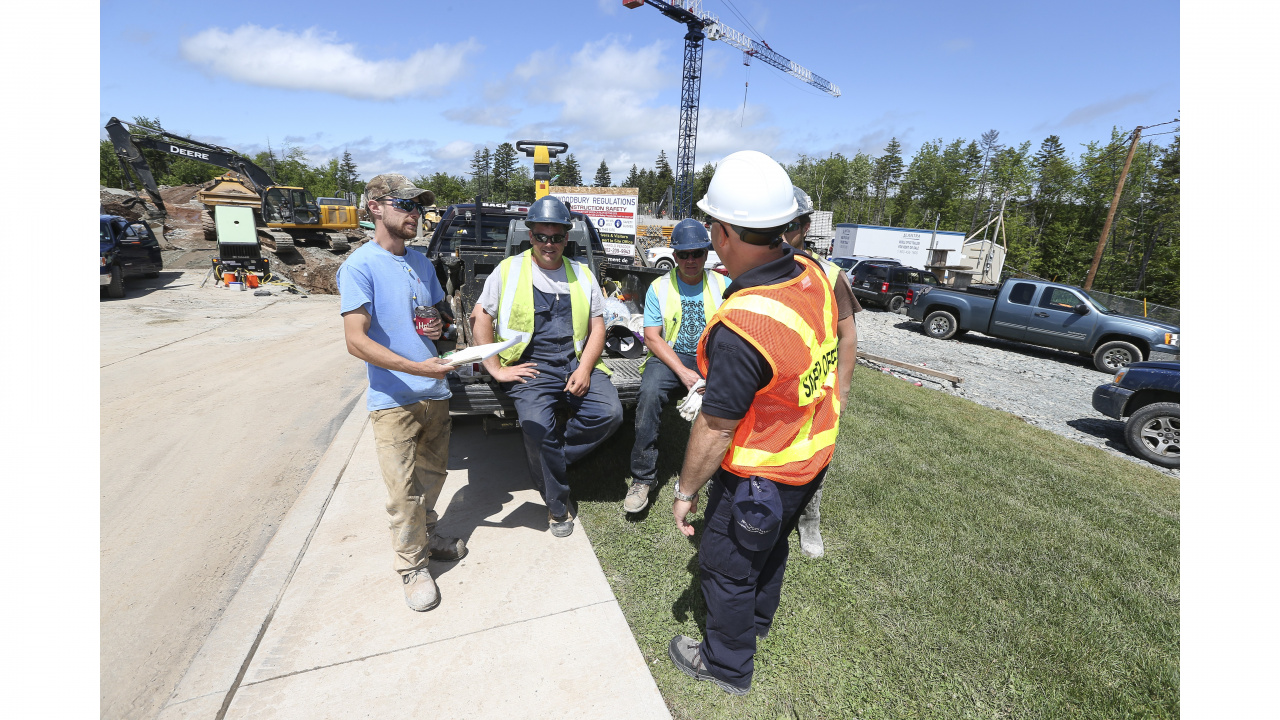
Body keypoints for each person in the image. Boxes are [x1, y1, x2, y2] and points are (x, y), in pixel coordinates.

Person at [667, 151, 842, 696]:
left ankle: (725, 662)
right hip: (810, 457)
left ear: (721, 233)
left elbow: (716, 427)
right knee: (770, 548)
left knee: (725, 565)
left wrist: (685, 490)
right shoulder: (812, 274)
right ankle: (757, 623)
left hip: (762, 471)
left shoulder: (746, 324)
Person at [336, 173, 468, 613]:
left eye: (418, 206)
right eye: (406, 204)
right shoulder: (358, 266)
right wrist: (416, 365)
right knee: (402, 493)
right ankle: (412, 568)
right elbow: (357, 341)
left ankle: (427, 539)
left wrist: (442, 330)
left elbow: (438, 320)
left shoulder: (422, 263)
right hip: (393, 400)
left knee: (432, 478)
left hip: (435, 391)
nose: (416, 213)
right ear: (375, 206)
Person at [470, 195, 624, 537]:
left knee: (609, 414)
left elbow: (598, 326)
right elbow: (480, 318)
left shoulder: (582, 274)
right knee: (537, 427)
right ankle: (557, 508)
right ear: (530, 235)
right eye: (541, 236)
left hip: (573, 361)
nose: (549, 244)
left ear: (567, 238)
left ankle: (549, 459)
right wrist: (496, 369)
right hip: (530, 367)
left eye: (556, 237)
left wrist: (584, 369)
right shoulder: (508, 271)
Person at [623, 218, 730, 513]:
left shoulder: (724, 284)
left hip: (712, 356)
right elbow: (652, 338)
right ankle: (643, 477)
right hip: (671, 355)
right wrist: (683, 373)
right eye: (684, 254)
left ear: (707, 253)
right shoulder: (659, 286)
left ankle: (717, 472)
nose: (691, 260)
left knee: (731, 399)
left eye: (697, 253)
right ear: (675, 255)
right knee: (649, 394)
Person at [781, 187, 861, 558]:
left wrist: (841, 391)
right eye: (777, 224)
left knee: (817, 456)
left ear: (806, 226)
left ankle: (809, 521)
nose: (784, 234)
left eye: (792, 225)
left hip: (818, 388)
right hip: (775, 389)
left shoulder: (830, 275)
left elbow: (848, 337)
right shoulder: (763, 271)